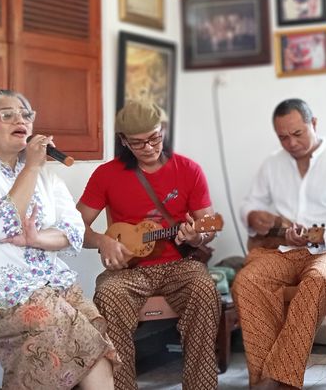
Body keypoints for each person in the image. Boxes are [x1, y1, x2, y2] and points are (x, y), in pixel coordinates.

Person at [0, 89, 116, 389]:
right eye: (7, 114)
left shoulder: (45, 176)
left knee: (92, 326)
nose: (21, 119)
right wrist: (31, 166)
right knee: (48, 322)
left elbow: (74, 230)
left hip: (50, 286)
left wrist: (36, 238)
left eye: (26, 114)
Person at [77, 100, 221, 390]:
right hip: (128, 271)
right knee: (107, 294)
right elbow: (75, 228)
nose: (149, 147)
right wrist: (102, 241)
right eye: (138, 142)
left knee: (205, 290)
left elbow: (209, 226)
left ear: (163, 130)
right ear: (124, 142)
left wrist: (198, 236)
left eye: (155, 138)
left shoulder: (188, 169)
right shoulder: (106, 174)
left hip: (180, 265)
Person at [232, 99, 326, 390]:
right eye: (283, 137)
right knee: (248, 280)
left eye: (297, 133)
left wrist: (317, 236)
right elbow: (250, 205)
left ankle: (278, 377)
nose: (291, 142)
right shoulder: (272, 164)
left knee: (317, 281)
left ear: (313, 124)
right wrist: (255, 216)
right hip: (287, 250)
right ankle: (262, 377)